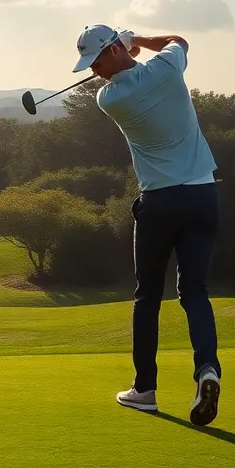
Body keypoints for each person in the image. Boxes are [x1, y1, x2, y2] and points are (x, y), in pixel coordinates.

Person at [71, 24, 222, 426]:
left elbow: (129, 71)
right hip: (203, 197)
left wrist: (128, 47)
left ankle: (145, 390)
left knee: (148, 297)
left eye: (97, 61)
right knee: (195, 292)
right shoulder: (167, 68)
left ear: (112, 52)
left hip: (160, 202)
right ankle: (207, 369)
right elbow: (179, 41)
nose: (95, 71)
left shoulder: (110, 98)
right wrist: (138, 41)